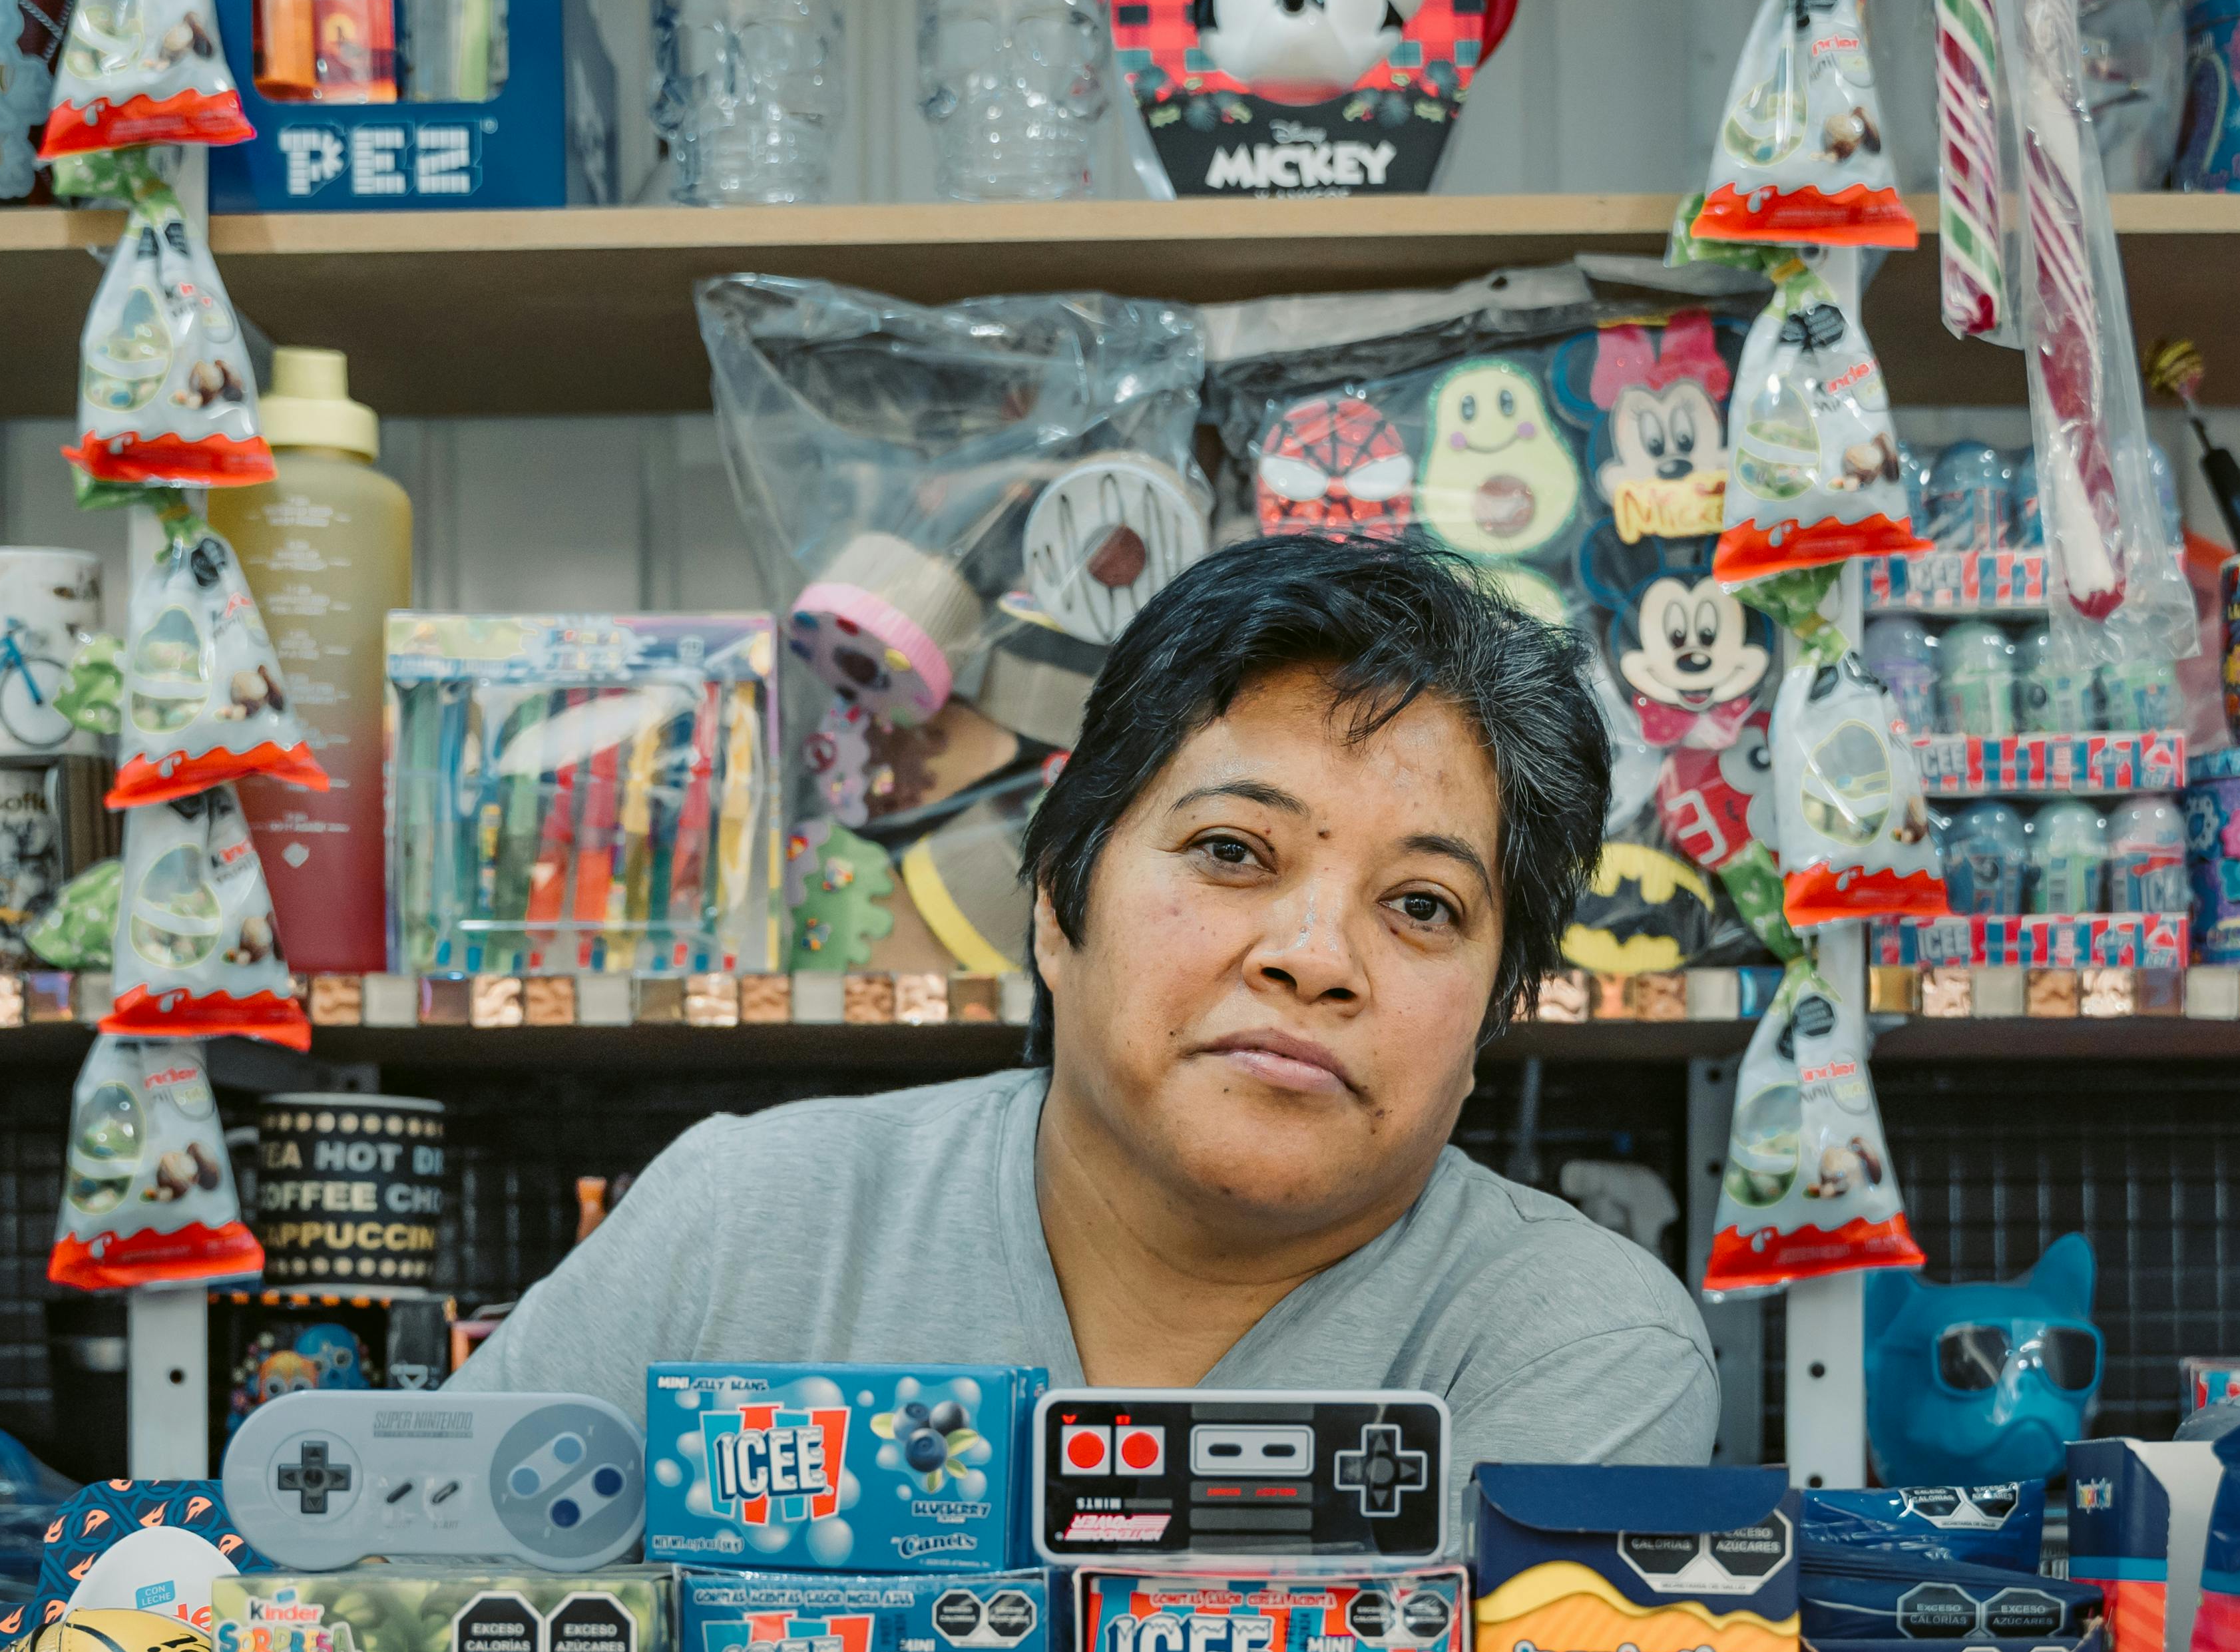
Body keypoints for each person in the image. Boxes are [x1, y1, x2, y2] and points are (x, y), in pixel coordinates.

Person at [463, 533, 1718, 1475]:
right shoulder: (742, 1228)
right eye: (1233, 851)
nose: (1315, 956)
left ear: (1493, 1017)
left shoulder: (1578, 1343)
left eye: (1425, 906)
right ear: (1062, 902)